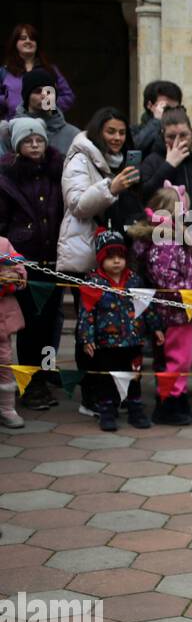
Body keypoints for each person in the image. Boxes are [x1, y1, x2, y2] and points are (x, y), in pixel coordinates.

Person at [58, 107, 145, 415]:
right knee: (90, 328)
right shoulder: (80, 156)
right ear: (98, 131)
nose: (117, 138)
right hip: (87, 256)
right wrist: (111, 187)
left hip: (120, 254)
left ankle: (118, 393)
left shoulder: (127, 161)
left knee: (119, 328)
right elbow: (77, 204)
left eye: (122, 132)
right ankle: (91, 396)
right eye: (111, 132)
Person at [128, 183, 192, 425]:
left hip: (182, 310)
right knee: (178, 358)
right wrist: (186, 294)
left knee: (181, 357)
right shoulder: (165, 243)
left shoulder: (170, 240)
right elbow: (166, 279)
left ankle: (177, 398)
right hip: (175, 310)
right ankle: (169, 403)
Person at [0, 119, 63, 412]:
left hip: (54, 258)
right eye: (28, 141)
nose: (35, 145)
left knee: (50, 323)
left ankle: (44, 374)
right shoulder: (7, 177)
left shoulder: (56, 171)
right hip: (24, 261)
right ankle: (30, 383)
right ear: (17, 146)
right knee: (29, 324)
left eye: (39, 140)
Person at [75, 229, 160, 431]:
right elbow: (86, 313)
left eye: (120, 256)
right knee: (107, 377)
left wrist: (156, 328)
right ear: (101, 259)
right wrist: (87, 339)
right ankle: (107, 411)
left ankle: (135, 409)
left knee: (134, 376)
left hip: (133, 341)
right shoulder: (93, 282)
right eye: (110, 257)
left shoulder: (134, 280)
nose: (116, 262)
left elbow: (146, 307)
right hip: (107, 343)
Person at [138, 107, 192, 212]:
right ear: (163, 136)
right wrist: (168, 166)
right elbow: (146, 196)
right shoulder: (152, 161)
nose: (178, 141)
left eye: (183, 135)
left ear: (191, 133)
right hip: (165, 225)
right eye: (171, 137)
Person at [0, 24, 74, 121]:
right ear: (15, 43)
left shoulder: (50, 70)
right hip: (14, 126)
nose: (28, 41)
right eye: (23, 38)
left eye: (32, 38)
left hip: (47, 125)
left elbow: (68, 96)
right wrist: (6, 100)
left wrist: (48, 104)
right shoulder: (4, 71)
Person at [0, 69, 79, 155]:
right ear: (27, 97)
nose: (44, 95)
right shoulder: (9, 133)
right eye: (38, 91)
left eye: (49, 91)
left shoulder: (73, 135)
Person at [0, 236, 27, 428]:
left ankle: (6, 408)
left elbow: (20, 268)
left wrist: (16, 277)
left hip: (2, 318)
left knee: (5, 362)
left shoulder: (3, 243)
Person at [133, 80, 184, 158]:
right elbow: (136, 147)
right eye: (166, 108)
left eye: (176, 108)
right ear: (150, 105)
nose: (171, 113)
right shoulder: (135, 131)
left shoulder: (181, 128)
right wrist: (157, 121)